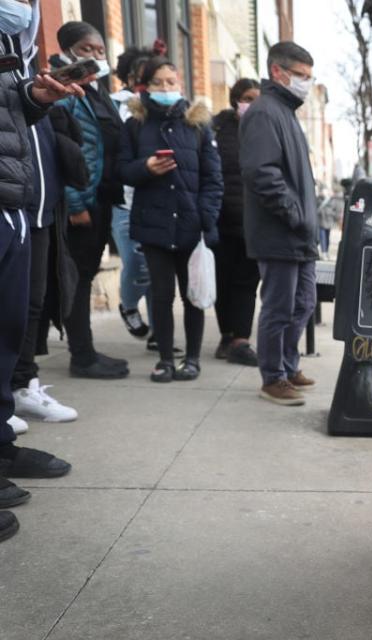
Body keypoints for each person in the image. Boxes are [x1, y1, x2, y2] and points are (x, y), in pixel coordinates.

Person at [0, 0, 95, 543]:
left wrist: (32, 97)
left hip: (18, 202)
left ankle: (2, 450)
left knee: (12, 332)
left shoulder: (17, 50)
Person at [116, 56, 223, 382]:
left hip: (191, 225)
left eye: (171, 82)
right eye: (158, 83)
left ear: (181, 85)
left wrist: (205, 218)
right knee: (160, 295)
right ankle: (164, 359)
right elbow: (120, 171)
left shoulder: (198, 125)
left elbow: (213, 178)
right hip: (153, 225)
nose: (166, 88)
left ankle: (192, 359)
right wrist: (145, 169)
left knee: (193, 296)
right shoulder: (134, 124)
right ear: (145, 87)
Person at [240, 41, 318, 406]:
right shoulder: (264, 112)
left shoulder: (285, 112)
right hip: (279, 232)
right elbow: (262, 172)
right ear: (278, 72)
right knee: (279, 306)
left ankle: (288, 366)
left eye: (308, 76)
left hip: (297, 233)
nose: (306, 82)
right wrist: (295, 214)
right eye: (301, 75)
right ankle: (272, 377)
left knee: (303, 304)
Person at [53, 21, 129, 379]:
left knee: (86, 273)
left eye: (100, 51)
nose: (97, 56)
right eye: (87, 50)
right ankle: (81, 356)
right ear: (67, 50)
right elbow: (62, 150)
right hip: (80, 201)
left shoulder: (96, 89)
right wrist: (77, 204)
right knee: (79, 277)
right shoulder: (62, 89)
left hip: (101, 196)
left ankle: (86, 350)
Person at [212, 78, 260, 366]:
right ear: (235, 100)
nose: (251, 104)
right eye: (247, 98)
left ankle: (241, 340)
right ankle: (227, 335)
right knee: (222, 283)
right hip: (220, 221)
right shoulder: (217, 128)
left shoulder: (265, 129)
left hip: (253, 223)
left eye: (257, 99)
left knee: (246, 283)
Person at [110, 45, 153, 341]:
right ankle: (128, 305)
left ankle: (160, 335)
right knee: (137, 263)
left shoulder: (164, 106)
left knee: (158, 270)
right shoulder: (114, 104)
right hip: (124, 201)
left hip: (158, 200)